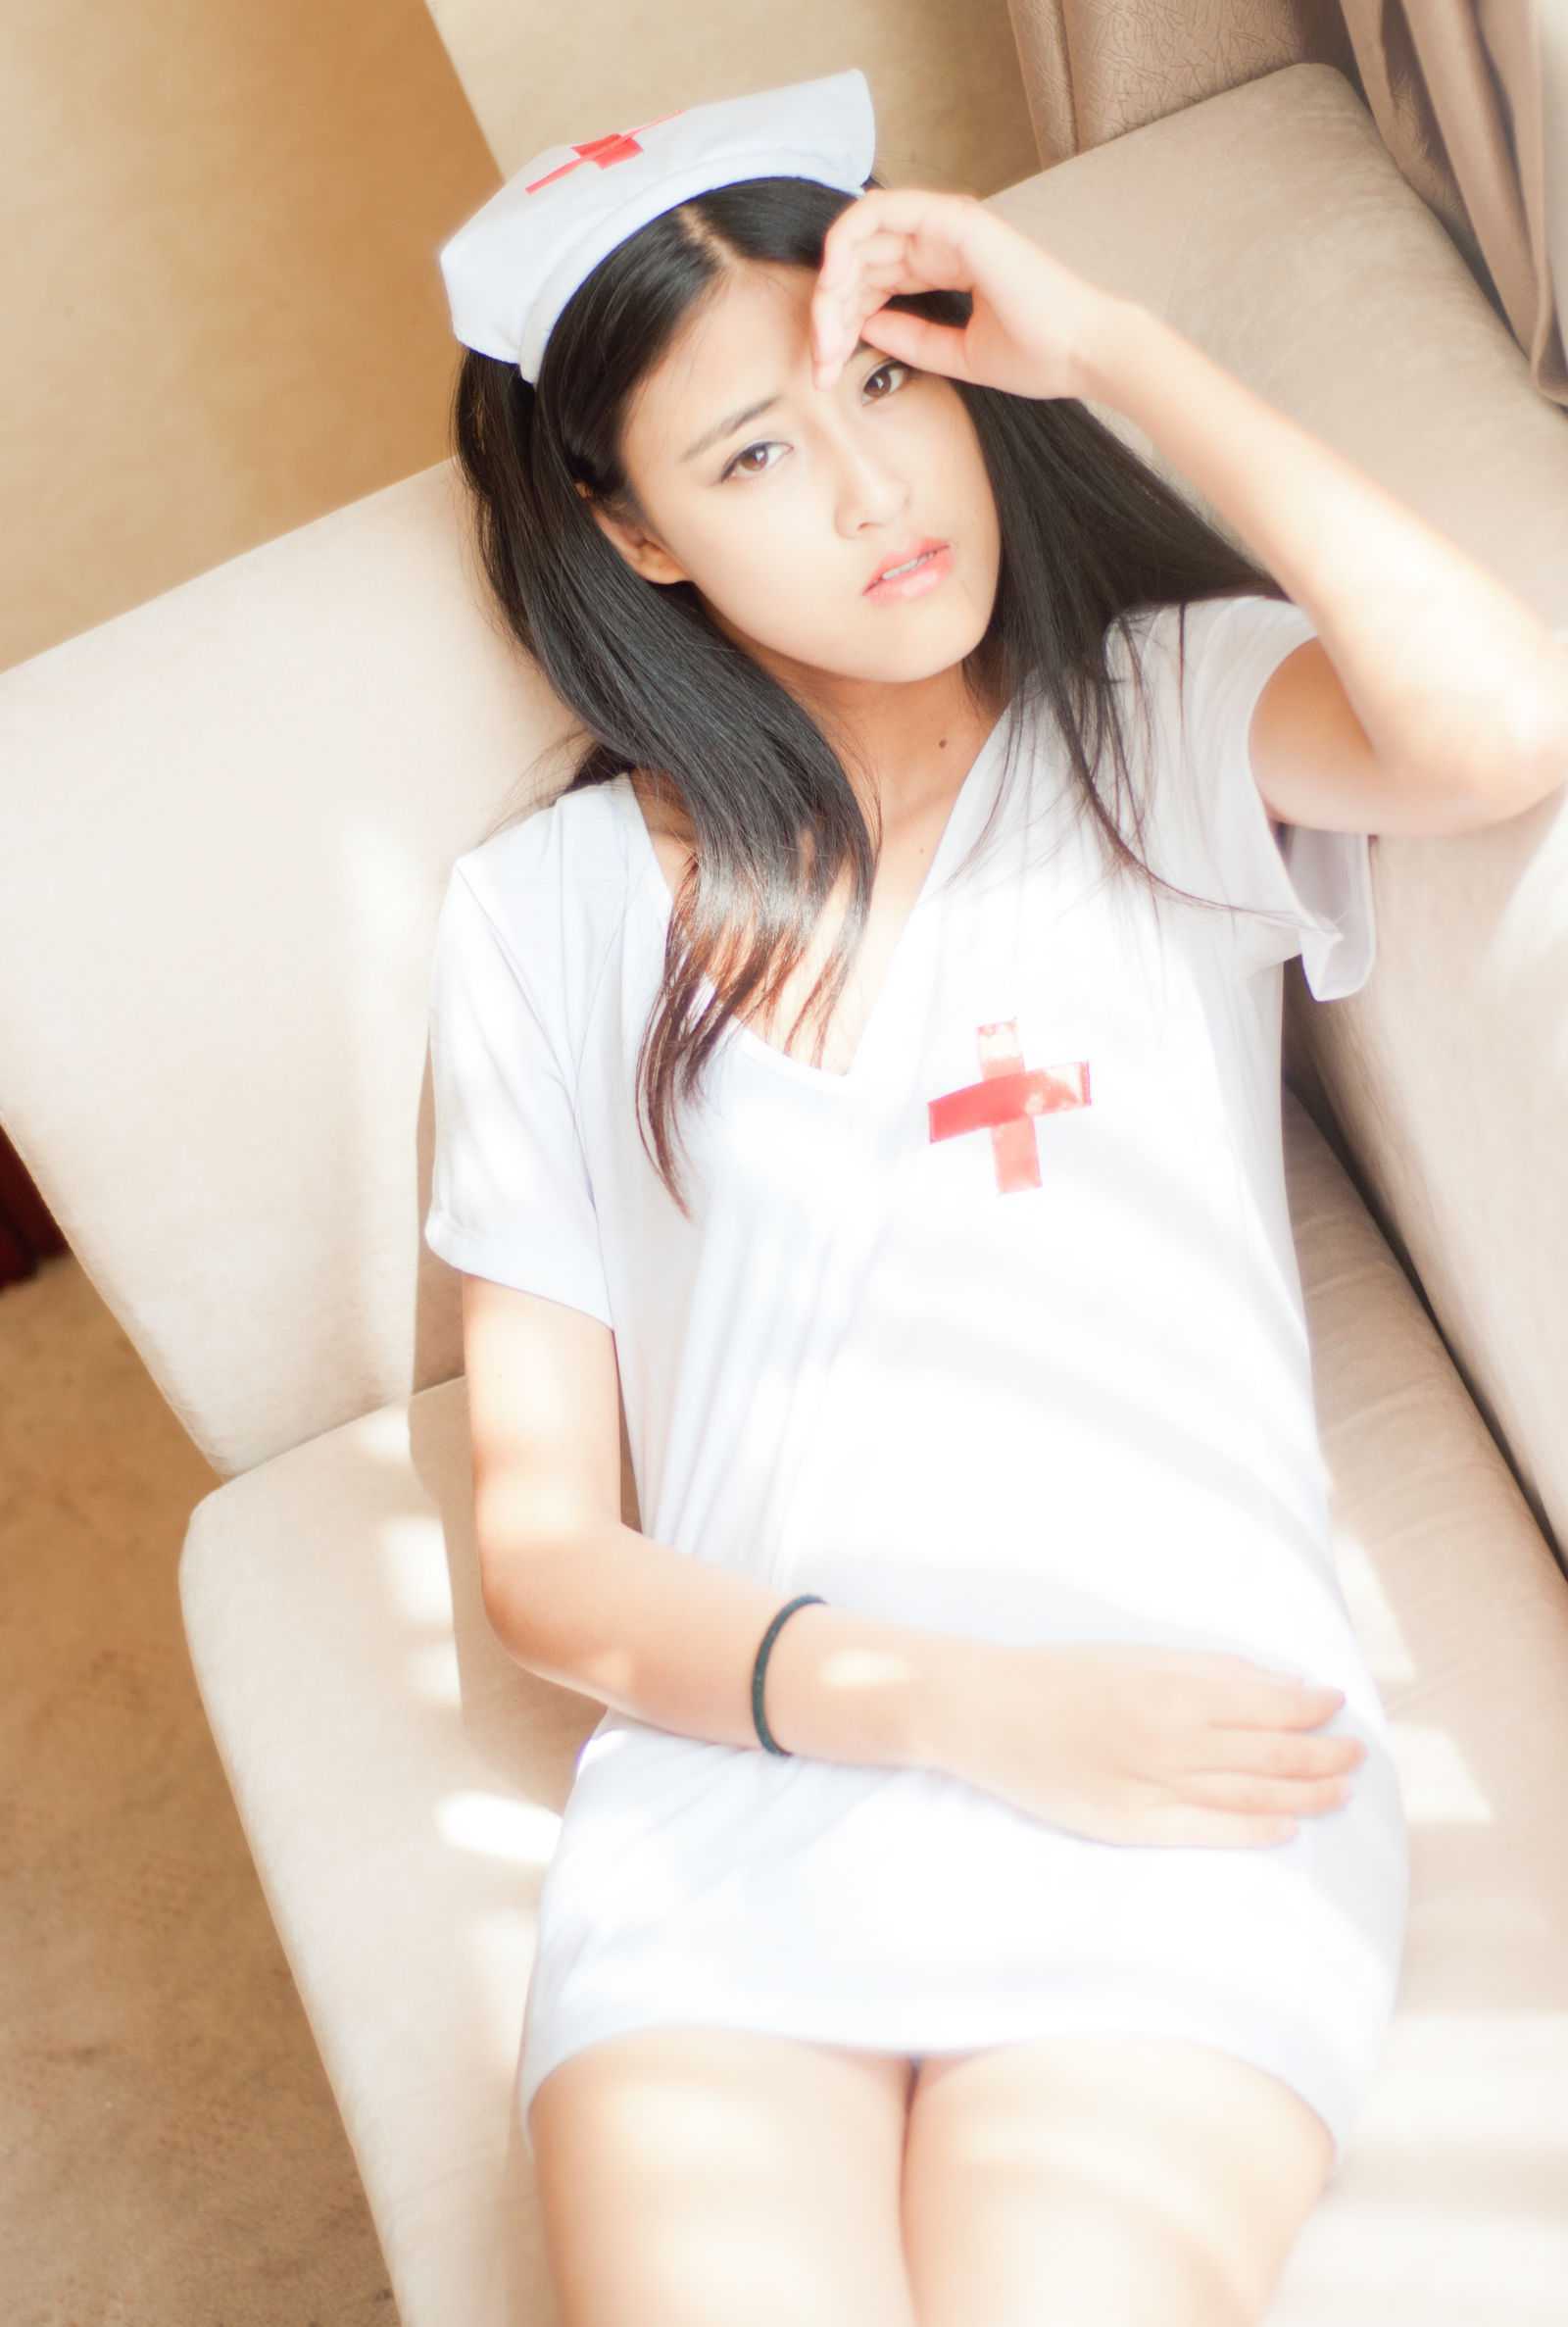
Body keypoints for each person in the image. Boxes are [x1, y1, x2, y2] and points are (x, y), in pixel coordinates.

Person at [424, 67, 1410, 2327]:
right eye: (754, 452)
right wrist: (952, 1703)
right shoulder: (541, 912)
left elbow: (1504, 720)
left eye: (884, 380)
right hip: (752, 1762)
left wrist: (1106, 350)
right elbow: (545, 1558)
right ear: (632, 532)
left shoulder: (1156, 721)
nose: (872, 487)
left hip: (1173, 1744)